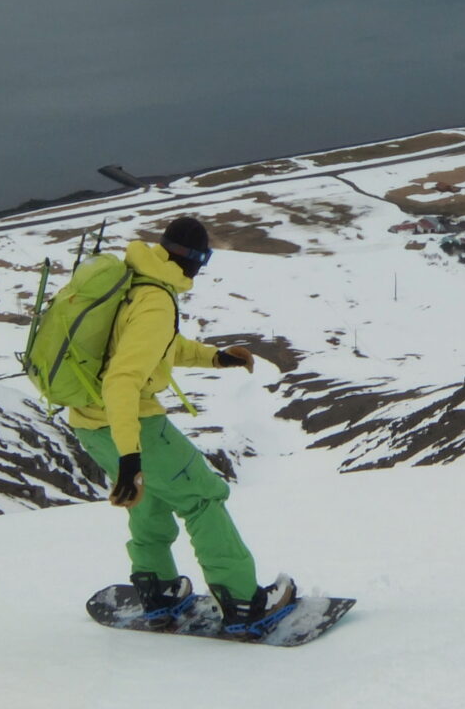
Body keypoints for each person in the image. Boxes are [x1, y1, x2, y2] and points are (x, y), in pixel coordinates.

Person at [68, 216, 296, 636]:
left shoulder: (135, 282)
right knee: (203, 498)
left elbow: (156, 348)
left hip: (88, 423)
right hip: (131, 424)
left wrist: (215, 357)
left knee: (150, 497)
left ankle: (158, 590)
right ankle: (244, 600)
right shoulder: (156, 301)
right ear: (197, 259)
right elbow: (122, 378)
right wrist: (130, 454)